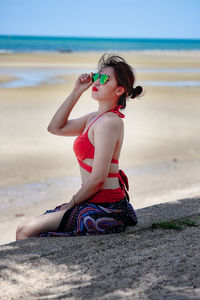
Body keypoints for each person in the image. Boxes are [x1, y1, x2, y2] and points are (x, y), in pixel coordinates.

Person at [16, 54, 143, 240]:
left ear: (119, 91)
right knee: (28, 230)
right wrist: (77, 91)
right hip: (91, 201)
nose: (97, 81)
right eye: (97, 76)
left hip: (106, 208)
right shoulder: (94, 118)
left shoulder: (109, 122)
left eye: (104, 79)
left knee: (25, 230)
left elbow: (98, 178)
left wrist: (70, 204)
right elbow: (55, 128)